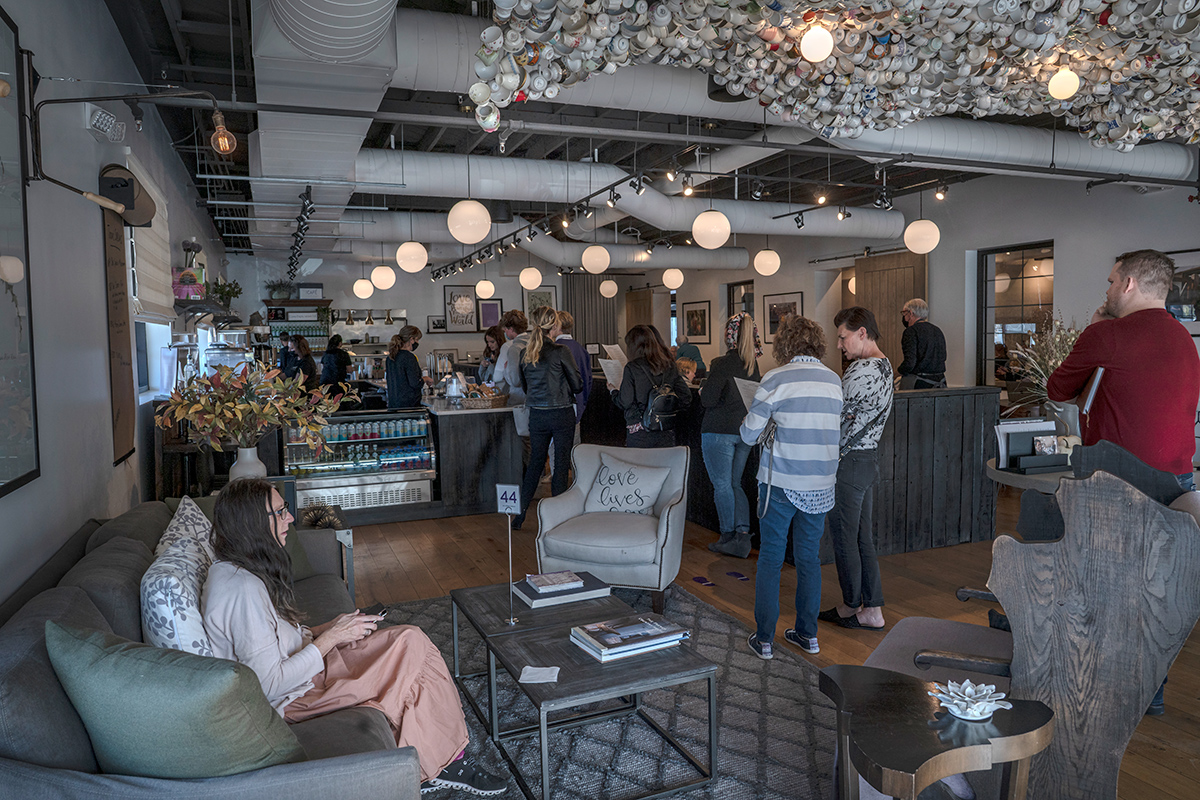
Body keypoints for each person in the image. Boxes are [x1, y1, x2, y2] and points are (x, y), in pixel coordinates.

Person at [201, 479, 505, 795]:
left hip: (305, 674)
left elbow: (273, 641)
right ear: (252, 524)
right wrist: (332, 638)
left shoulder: (237, 572)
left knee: (410, 642)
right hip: (294, 699)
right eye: (279, 512)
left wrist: (326, 629)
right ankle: (439, 765)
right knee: (414, 654)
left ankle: (441, 760)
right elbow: (270, 683)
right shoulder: (242, 592)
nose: (290, 519)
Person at [1047, 249, 1200, 719]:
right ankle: (1150, 690)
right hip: (1177, 478)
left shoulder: (1108, 334)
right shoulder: (1183, 338)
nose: (1108, 289)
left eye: (1112, 281)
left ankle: (1099, 685)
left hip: (1119, 481)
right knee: (1156, 590)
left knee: (1106, 587)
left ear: (1130, 284)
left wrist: (1095, 328)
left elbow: (1056, 388)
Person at [740, 315, 842, 659]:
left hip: (780, 481)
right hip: (821, 483)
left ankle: (765, 639)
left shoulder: (775, 379)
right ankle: (807, 634)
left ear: (783, 343)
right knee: (809, 560)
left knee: (770, 558)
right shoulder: (833, 381)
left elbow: (748, 434)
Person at [819, 307, 894, 632]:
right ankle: (871, 607)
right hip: (867, 460)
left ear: (862, 332)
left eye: (843, 337)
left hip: (848, 463)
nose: (839, 344)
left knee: (845, 537)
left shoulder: (860, 370)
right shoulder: (886, 365)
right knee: (862, 537)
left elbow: (835, 418)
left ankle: (853, 605)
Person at [511, 307, 584, 530]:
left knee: (535, 464)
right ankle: (557, 519)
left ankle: (520, 515)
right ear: (554, 326)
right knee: (560, 466)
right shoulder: (561, 351)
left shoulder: (526, 352)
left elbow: (525, 386)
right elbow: (578, 385)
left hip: (537, 415)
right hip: (561, 413)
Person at [702, 313, 763, 558]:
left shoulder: (722, 363)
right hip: (744, 433)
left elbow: (707, 399)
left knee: (722, 485)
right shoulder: (753, 364)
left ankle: (727, 536)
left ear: (729, 335)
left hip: (718, 430)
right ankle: (743, 536)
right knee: (735, 483)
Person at [612, 324, 692, 448]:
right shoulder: (669, 365)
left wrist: (613, 391)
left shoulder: (632, 368)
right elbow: (686, 397)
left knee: (639, 466)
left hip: (640, 432)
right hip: (665, 430)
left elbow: (625, 402)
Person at [552, 310, 593, 429]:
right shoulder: (581, 349)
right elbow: (588, 379)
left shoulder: (555, 349)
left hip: (560, 406)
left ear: (557, 326)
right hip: (578, 404)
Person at [897, 298, 947, 389]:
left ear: (911, 313)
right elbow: (943, 357)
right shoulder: (937, 330)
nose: (904, 317)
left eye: (904, 313)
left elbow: (910, 363)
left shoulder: (911, 332)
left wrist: (897, 372)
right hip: (941, 382)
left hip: (919, 384)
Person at [385, 326, 430, 409]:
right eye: (417, 340)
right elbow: (415, 383)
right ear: (411, 339)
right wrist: (425, 379)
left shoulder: (390, 357)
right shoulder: (409, 357)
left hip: (393, 403)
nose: (417, 342)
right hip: (408, 405)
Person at [493, 310, 529, 403]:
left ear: (511, 329)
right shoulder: (534, 344)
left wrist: (506, 370)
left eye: (505, 330)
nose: (505, 333)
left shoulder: (514, 348)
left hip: (519, 397)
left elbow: (515, 381)